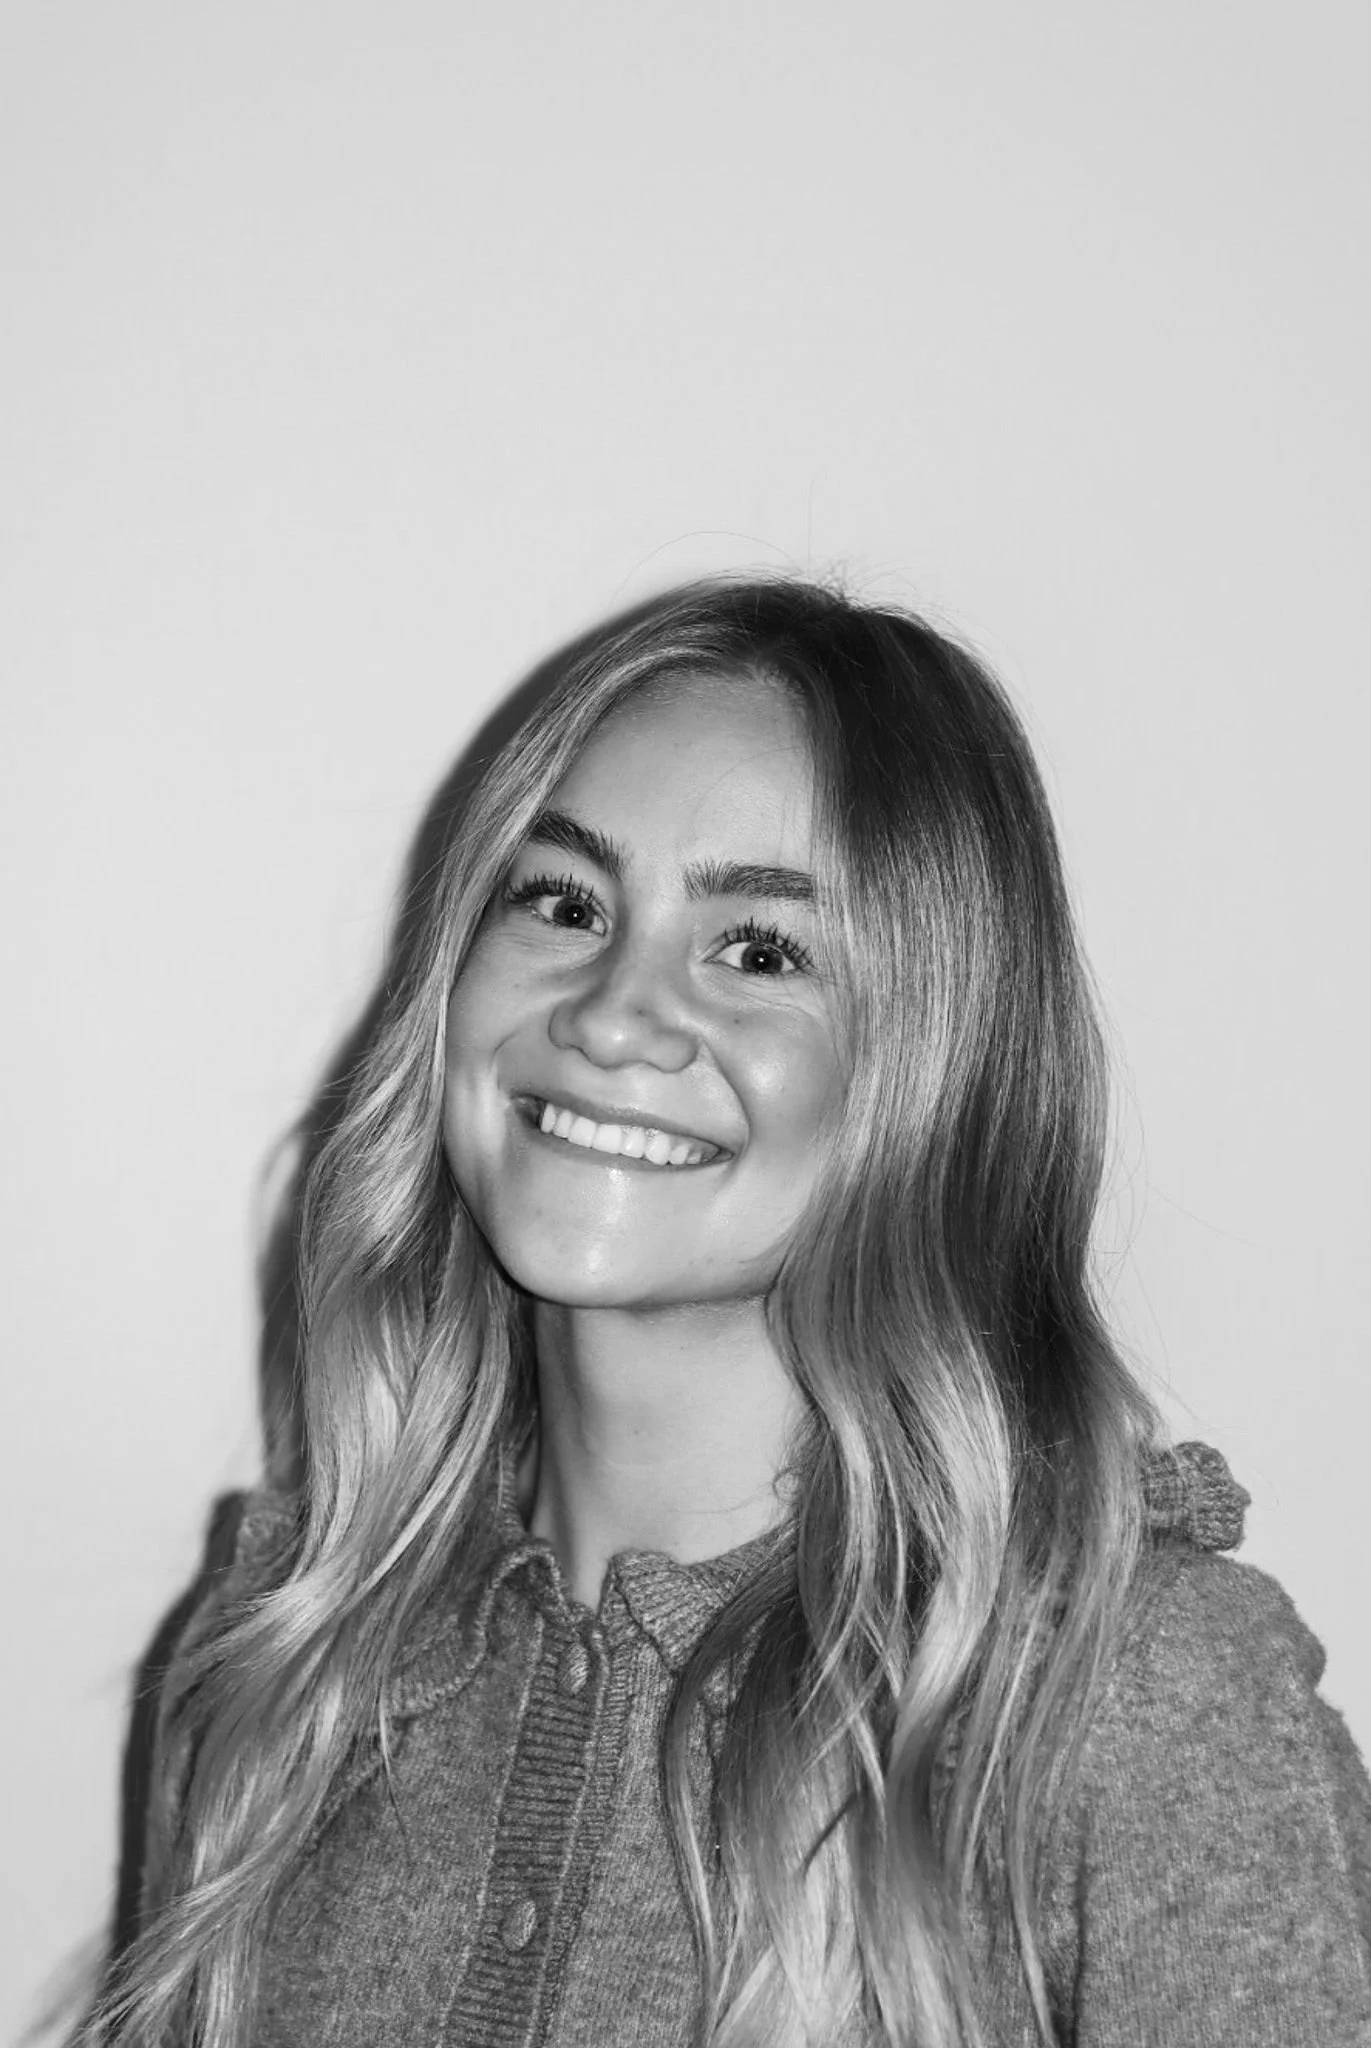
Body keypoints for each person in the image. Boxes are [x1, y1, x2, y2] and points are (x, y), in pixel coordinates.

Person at [92, 577, 1371, 2047]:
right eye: (564, 903)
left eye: (758, 951)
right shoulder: (282, 1661)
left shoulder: (1130, 1700)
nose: (609, 1014)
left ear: (934, 1070)